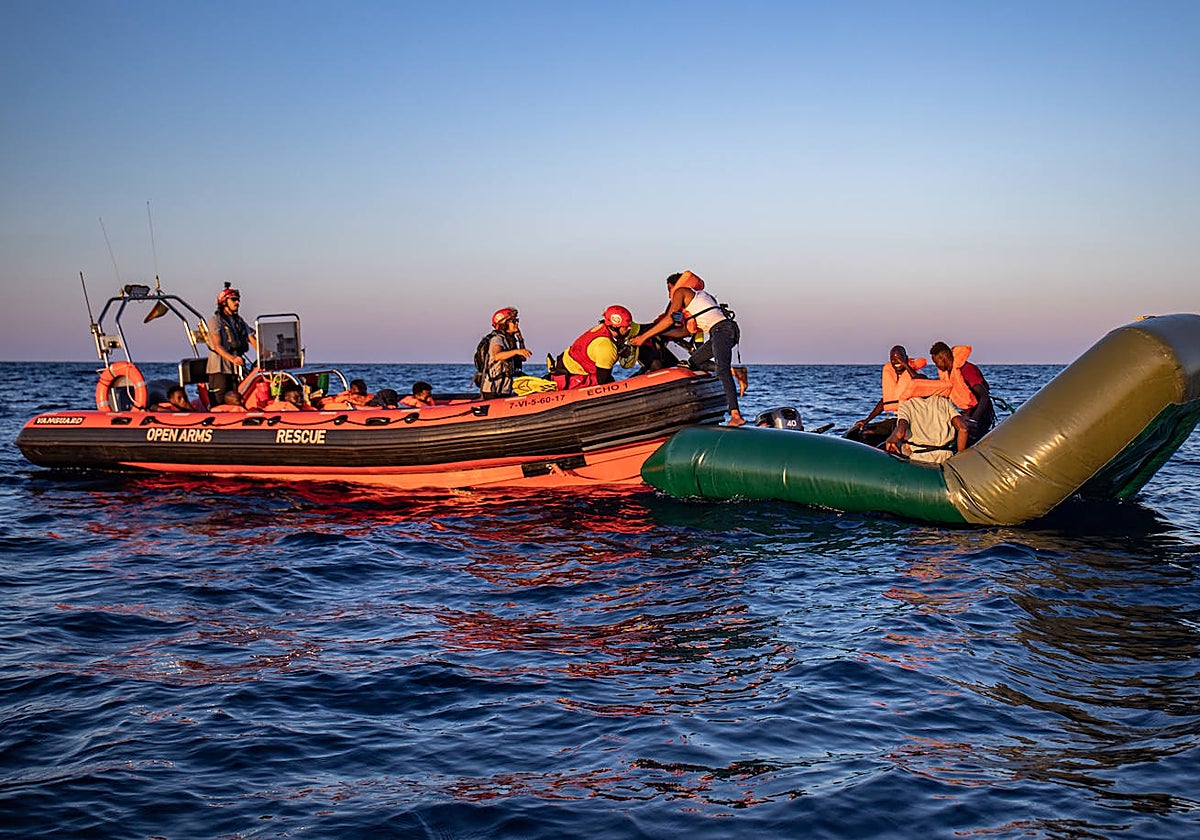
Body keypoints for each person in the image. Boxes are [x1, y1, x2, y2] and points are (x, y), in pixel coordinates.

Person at [629, 270, 745, 426]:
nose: (670, 296)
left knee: (721, 370)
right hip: (725, 331)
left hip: (721, 330)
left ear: (673, 286)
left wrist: (644, 336)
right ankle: (736, 371)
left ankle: (735, 415)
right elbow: (684, 332)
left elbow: (669, 319)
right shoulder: (700, 298)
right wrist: (661, 334)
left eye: (669, 290)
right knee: (694, 363)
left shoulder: (681, 292)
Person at [850, 346, 931, 446]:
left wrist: (905, 365)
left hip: (911, 421)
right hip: (896, 420)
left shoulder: (915, 374)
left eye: (899, 357)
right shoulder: (892, 376)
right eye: (893, 359)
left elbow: (921, 381)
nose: (896, 361)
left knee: (897, 434)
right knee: (866, 433)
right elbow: (885, 401)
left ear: (906, 357)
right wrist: (866, 420)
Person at [551, 306, 634, 389]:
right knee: (600, 380)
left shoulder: (601, 328)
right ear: (615, 327)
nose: (630, 328)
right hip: (572, 378)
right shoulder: (606, 346)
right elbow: (604, 382)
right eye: (626, 327)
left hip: (562, 367)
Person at [930, 341, 995, 446]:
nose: (936, 366)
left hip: (980, 413)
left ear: (944, 357)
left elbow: (984, 396)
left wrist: (974, 420)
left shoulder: (967, 370)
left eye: (936, 362)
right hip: (968, 412)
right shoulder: (949, 372)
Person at [205, 284, 258, 408]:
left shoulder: (239, 322)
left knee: (237, 400)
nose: (237, 302)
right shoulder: (215, 321)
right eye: (233, 299)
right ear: (224, 302)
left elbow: (253, 339)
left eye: (238, 299)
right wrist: (233, 359)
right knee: (219, 402)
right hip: (220, 369)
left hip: (236, 369)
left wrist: (266, 354)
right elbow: (217, 346)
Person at [884, 395, 968, 464]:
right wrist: (959, 457)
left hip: (920, 459)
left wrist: (890, 440)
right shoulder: (944, 402)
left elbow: (899, 433)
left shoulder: (907, 405)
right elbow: (963, 429)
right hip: (946, 457)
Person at [474, 307, 532, 399]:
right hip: (493, 390)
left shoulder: (509, 341)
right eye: (513, 321)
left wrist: (520, 340)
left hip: (505, 388)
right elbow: (497, 356)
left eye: (517, 320)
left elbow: (523, 358)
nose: (517, 323)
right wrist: (517, 351)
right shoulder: (497, 339)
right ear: (503, 324)